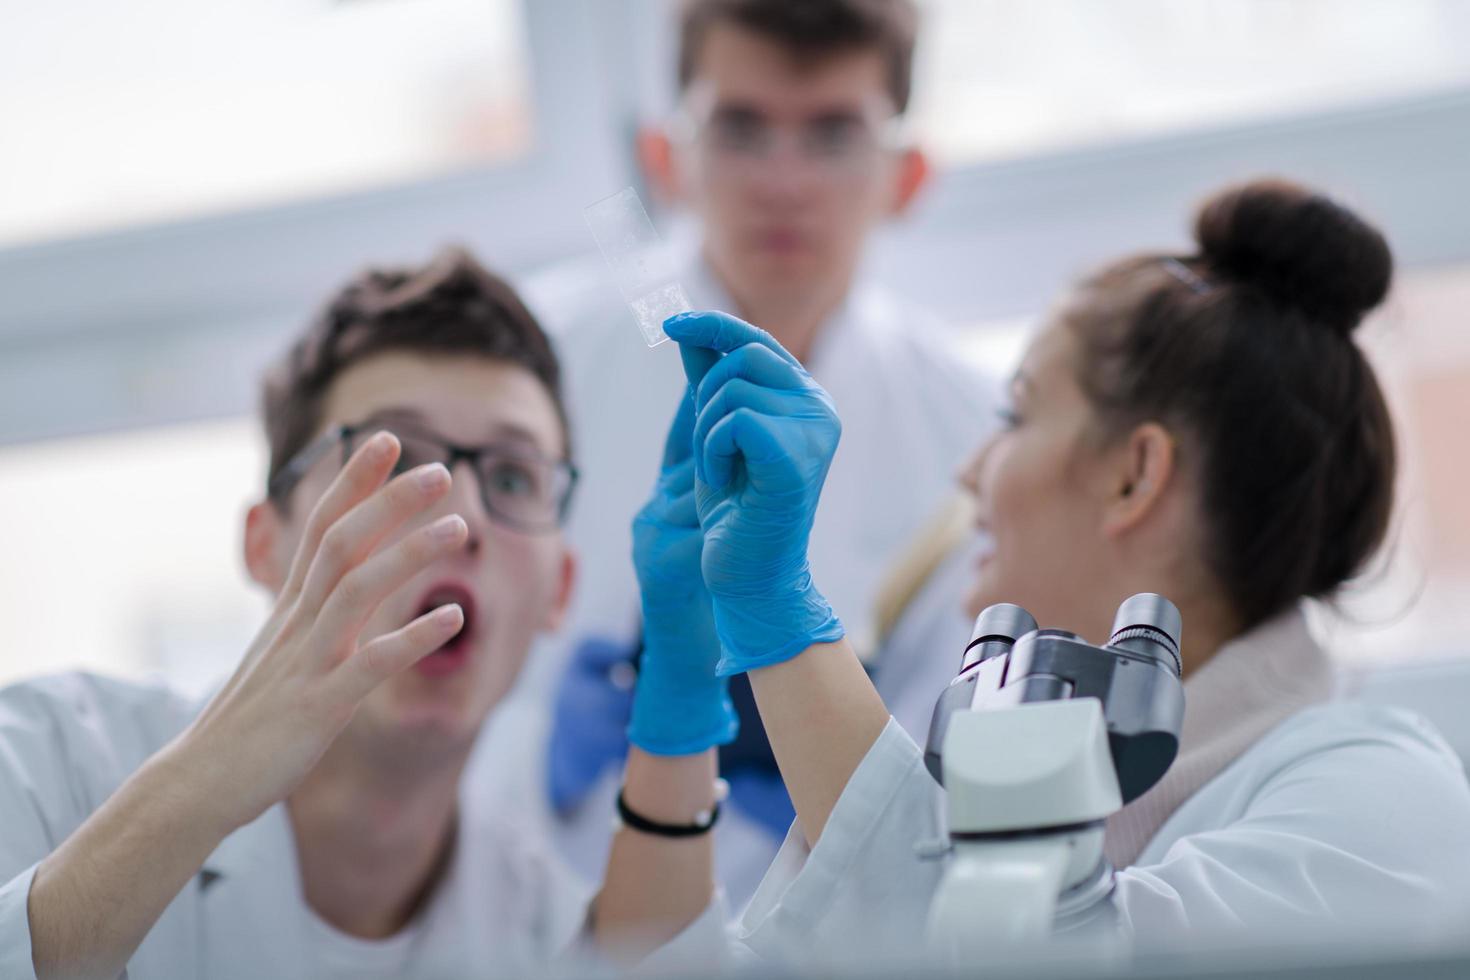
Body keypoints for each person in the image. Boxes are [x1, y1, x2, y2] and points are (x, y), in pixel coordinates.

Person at [634, 178, 1470, 969]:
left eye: (1015, 414)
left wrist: (777, 611)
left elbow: (1010, 956)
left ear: (1133, 477)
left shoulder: (1385, 793)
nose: (969, 472)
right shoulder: (1024, 789)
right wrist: (674, 699)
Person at [0, 248, 724, 980]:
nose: (463, 516)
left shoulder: (544, 936)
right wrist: (199, 791)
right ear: (263, 544)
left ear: (561, 589)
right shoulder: (44, 766)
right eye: (398, 460)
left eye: (512, 475)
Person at [504, 0, 997, 907]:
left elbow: (951, 797)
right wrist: (540, 734)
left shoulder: (974, 431)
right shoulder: (531, 366)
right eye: (739, 128)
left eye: (835, 134)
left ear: (908, 173)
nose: (784, 180)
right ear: (667, 158)